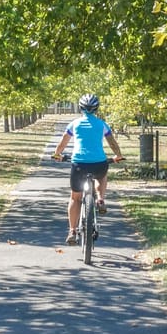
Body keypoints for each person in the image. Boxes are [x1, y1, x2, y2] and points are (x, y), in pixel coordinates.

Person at [52, 93, 124, 245]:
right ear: (96, 109)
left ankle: (72, 231)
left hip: (79, 164)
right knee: (102, 175)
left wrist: (57, 154)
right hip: (99, 164)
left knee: (75, 198)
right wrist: (118, 155)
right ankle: (101, 199)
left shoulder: (74, 124)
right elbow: (112, 142)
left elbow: (63, 143)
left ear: (81, 108)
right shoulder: (102, 124)